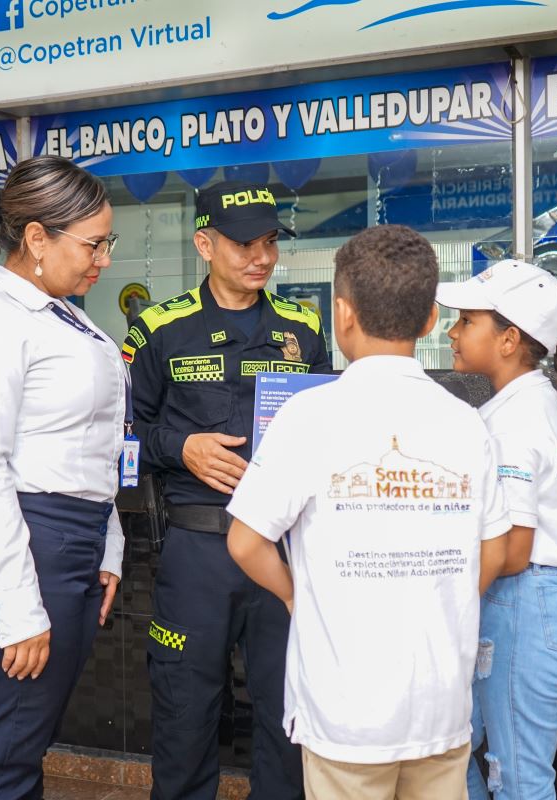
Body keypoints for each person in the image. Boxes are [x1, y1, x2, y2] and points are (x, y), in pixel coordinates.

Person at [226, 224, 512, 800]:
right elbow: (496, 550)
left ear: (342, 314)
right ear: (430, 320)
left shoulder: (309, 415)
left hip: (345, 714)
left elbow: (245, 542)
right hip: (439, 708)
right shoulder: (466, 422)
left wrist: (295, 595)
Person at [122, 180, 330, 800]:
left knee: (288, 717)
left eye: (269, 242)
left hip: (283, 550)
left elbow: (329, 428)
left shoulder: (303, 327)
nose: (261, 257)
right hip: (198, 552)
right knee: (185, 713)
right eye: (244, 244)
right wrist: (180, 446)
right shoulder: (159, 329)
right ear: (205, 244)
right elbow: (124, 437)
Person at [0, 155, 126, 799]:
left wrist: (108, 545)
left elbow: (93, 443)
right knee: (5, 754)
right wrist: (18, 611)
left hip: (69, 543)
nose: (103, 259)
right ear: (38, 238)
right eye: (93, 244)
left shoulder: (62, 312)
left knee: (25, 743)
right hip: (24, 547)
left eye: (107, 242)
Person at [436, 259, 557, 800]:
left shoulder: (517, 419)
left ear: (508, 340)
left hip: (526, 605)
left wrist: (442, 590)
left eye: (466, 321)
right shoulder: (523, 404)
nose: (451, 331)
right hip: (523, 605)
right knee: (450, 753)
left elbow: (516, 551)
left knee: (518, 780)